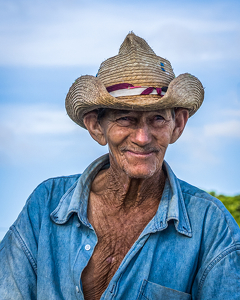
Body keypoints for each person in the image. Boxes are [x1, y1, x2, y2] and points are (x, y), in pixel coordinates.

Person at [0, 32, 239, 300]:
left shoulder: (211, 224)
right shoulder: (46, 205)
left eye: (158, 119)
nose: (142, 137)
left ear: (178, 124)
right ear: (95, 126)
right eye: (125, 119)